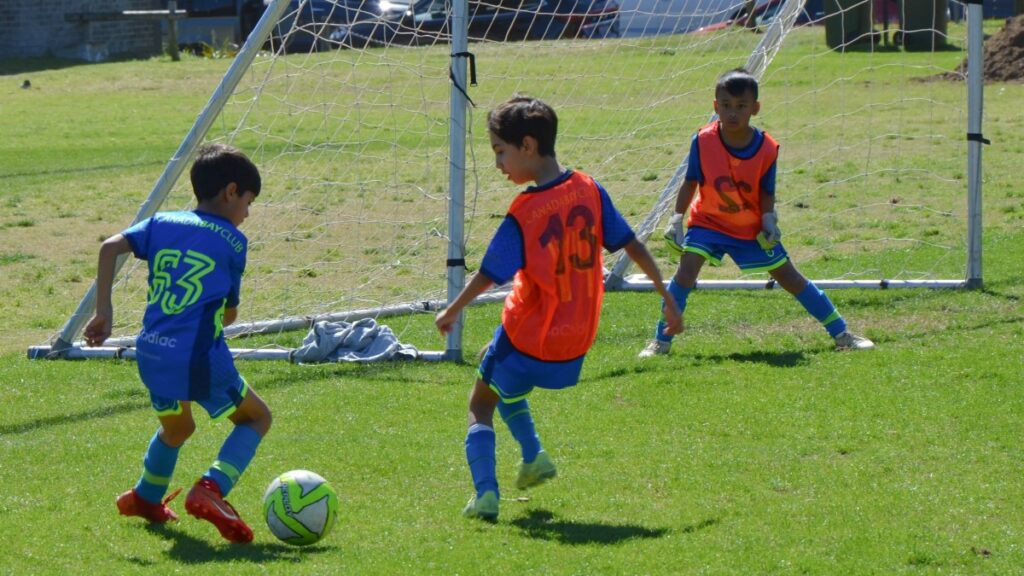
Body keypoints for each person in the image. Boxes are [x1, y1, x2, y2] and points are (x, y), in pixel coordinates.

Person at [435, 96, 683, 521]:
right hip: (574, 342)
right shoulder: (589, 189)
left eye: (500, 152)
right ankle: (534, 457)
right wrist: (667, 296)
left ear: (527, 146)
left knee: (480, 402)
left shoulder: (526, 212)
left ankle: (486, 495)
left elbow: (490, 273)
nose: (498, 164)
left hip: (529, 332)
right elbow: (632, 244)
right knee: (496, 372)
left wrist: (452, 309)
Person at [84, 143, 272, 544]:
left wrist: (104, 311)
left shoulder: (161, 222)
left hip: (150, 351)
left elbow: (109, 247)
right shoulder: (233, 242)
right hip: (197, 357)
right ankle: (212, 488)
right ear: (231, 191)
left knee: (178, 427)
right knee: (257, 418)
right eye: (249, 202)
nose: (247, 214)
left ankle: (146, 497)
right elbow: (230, 313)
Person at [639, 68, 874, 358]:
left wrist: (768, 219)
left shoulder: (767, 147)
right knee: (685, 272)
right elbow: (691, 181)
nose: (732, 113)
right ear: (715, 106)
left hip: (749, 229)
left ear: (755, 108)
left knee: (789, 277)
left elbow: (766, 190)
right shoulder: (702, 140)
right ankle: (660, 342)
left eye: (741, 106)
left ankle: (841, 333)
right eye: (726, 106)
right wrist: (676, 219)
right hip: (707, 223)